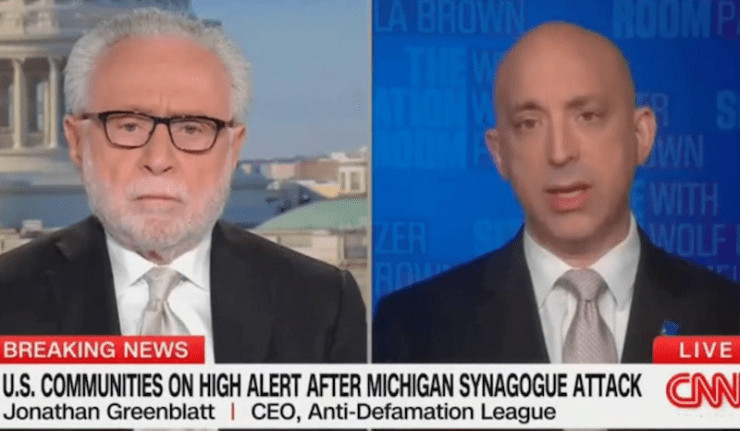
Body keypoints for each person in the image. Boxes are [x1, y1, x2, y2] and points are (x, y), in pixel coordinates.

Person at [0, 8, 366, 363]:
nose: (159, 159)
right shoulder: (10, 296)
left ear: (234, 147)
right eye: (128, 126)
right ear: (77, 141)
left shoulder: (321, 305)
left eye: (193, 128)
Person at [373, 22, 740, 363]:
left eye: (587, 116)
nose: (560, 152)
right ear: (499, 154)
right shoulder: (413, 329)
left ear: (640, 136)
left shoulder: (728, 315)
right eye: (529, 124)